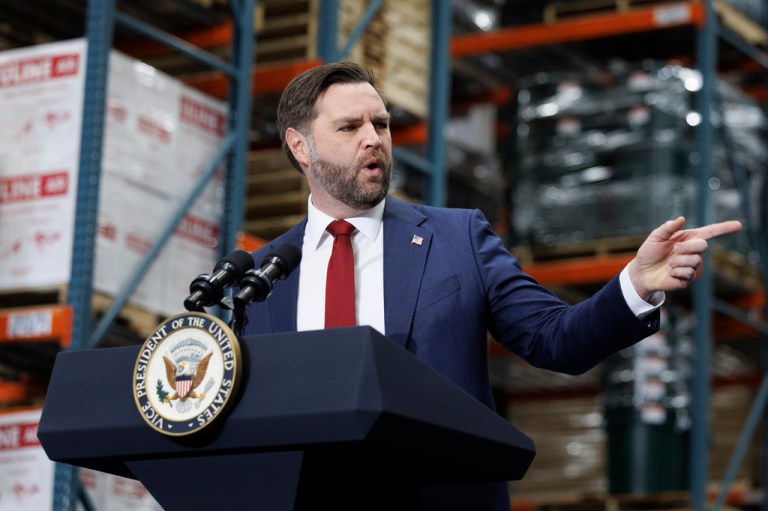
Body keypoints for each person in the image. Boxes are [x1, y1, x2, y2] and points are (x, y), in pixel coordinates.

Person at [242, 61, 742, 510]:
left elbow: (556, 339)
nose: (373, 138)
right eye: (350, 127)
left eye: (382, 124)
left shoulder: (458, 238)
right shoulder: (262, 277)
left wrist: (635, 283)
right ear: (299, 146)